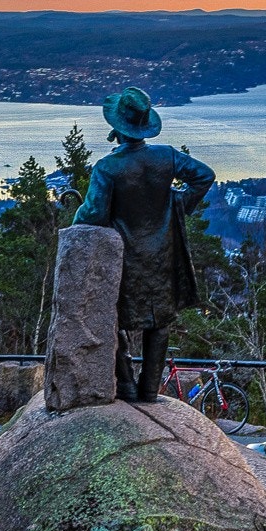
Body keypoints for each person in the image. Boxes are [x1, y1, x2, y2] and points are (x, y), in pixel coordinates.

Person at [72, 87, 214, 403]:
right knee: (159, 323)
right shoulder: (166, 157)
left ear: (116, 128)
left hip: (125, 259)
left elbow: (93, 213)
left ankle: (125, 386)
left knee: (114, 320)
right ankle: (149, 389)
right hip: (163, 257)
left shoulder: (107, 168)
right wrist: (179, 203)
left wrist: (74, 217)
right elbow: (204, 176)